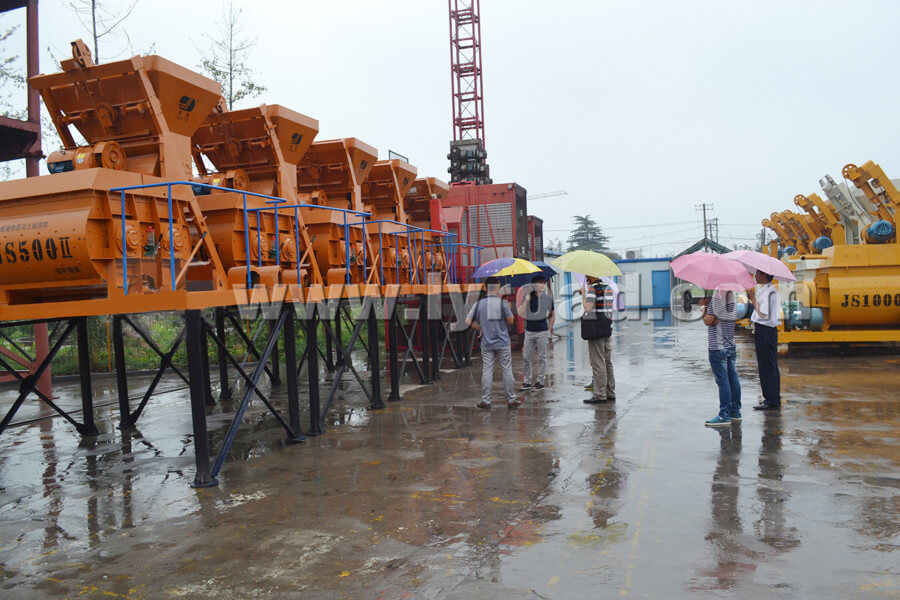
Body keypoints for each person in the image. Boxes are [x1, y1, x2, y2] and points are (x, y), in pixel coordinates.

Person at [466, 276, 522, 410]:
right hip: (502, 342)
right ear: (497, 288)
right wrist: (509, 308)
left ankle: (486, 401)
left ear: (485, 288)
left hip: (486, 344)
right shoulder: (502, 303)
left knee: (487, 371)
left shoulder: (478, 304)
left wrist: (480, 328)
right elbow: (510, 321)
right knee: (507, 371)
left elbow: (468, 321)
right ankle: (511, 400)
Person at [701, 290, 741, 426]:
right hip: (730, 344)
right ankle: (735, 411)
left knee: (723, 381)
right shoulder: (731, 295)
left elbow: (708, 320)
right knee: (732, 379)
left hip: (718, 347)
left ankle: (724, 415)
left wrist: (704, 308)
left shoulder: (718, 296)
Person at [748, 270, 782, 410]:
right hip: (764, 330)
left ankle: (772, 400)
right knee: (766, 365)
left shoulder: (769, 292)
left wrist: (752, 299)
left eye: (757, 274)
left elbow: (763, 314)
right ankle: (770, 397)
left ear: (764, 275)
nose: (755, 276)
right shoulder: (765, 290)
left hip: (766, 331)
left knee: (768, 365)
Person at [517, 275, 555, 390]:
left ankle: (540, 382)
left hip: (542, 331)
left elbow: (553, 315)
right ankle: (527, 381)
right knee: (526, 358)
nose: (542, 285)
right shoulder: (527, 297)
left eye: (543, 283)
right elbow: (521, 313)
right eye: (539, 283)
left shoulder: (548, 299)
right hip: (529, 332)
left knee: (542, 358)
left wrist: (549, 328)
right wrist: (526, 301)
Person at [581, 276, 615, 404]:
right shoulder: (608, 288)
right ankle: (610, 392)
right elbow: (611, 311)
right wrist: (610, 328)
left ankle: (600, 394)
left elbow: (588, 308)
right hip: (607, 328)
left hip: (596, 330)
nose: (586, 279)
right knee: (607, 362)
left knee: (597, 363)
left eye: (587, 278)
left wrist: (584, 295)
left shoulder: (593, 290)